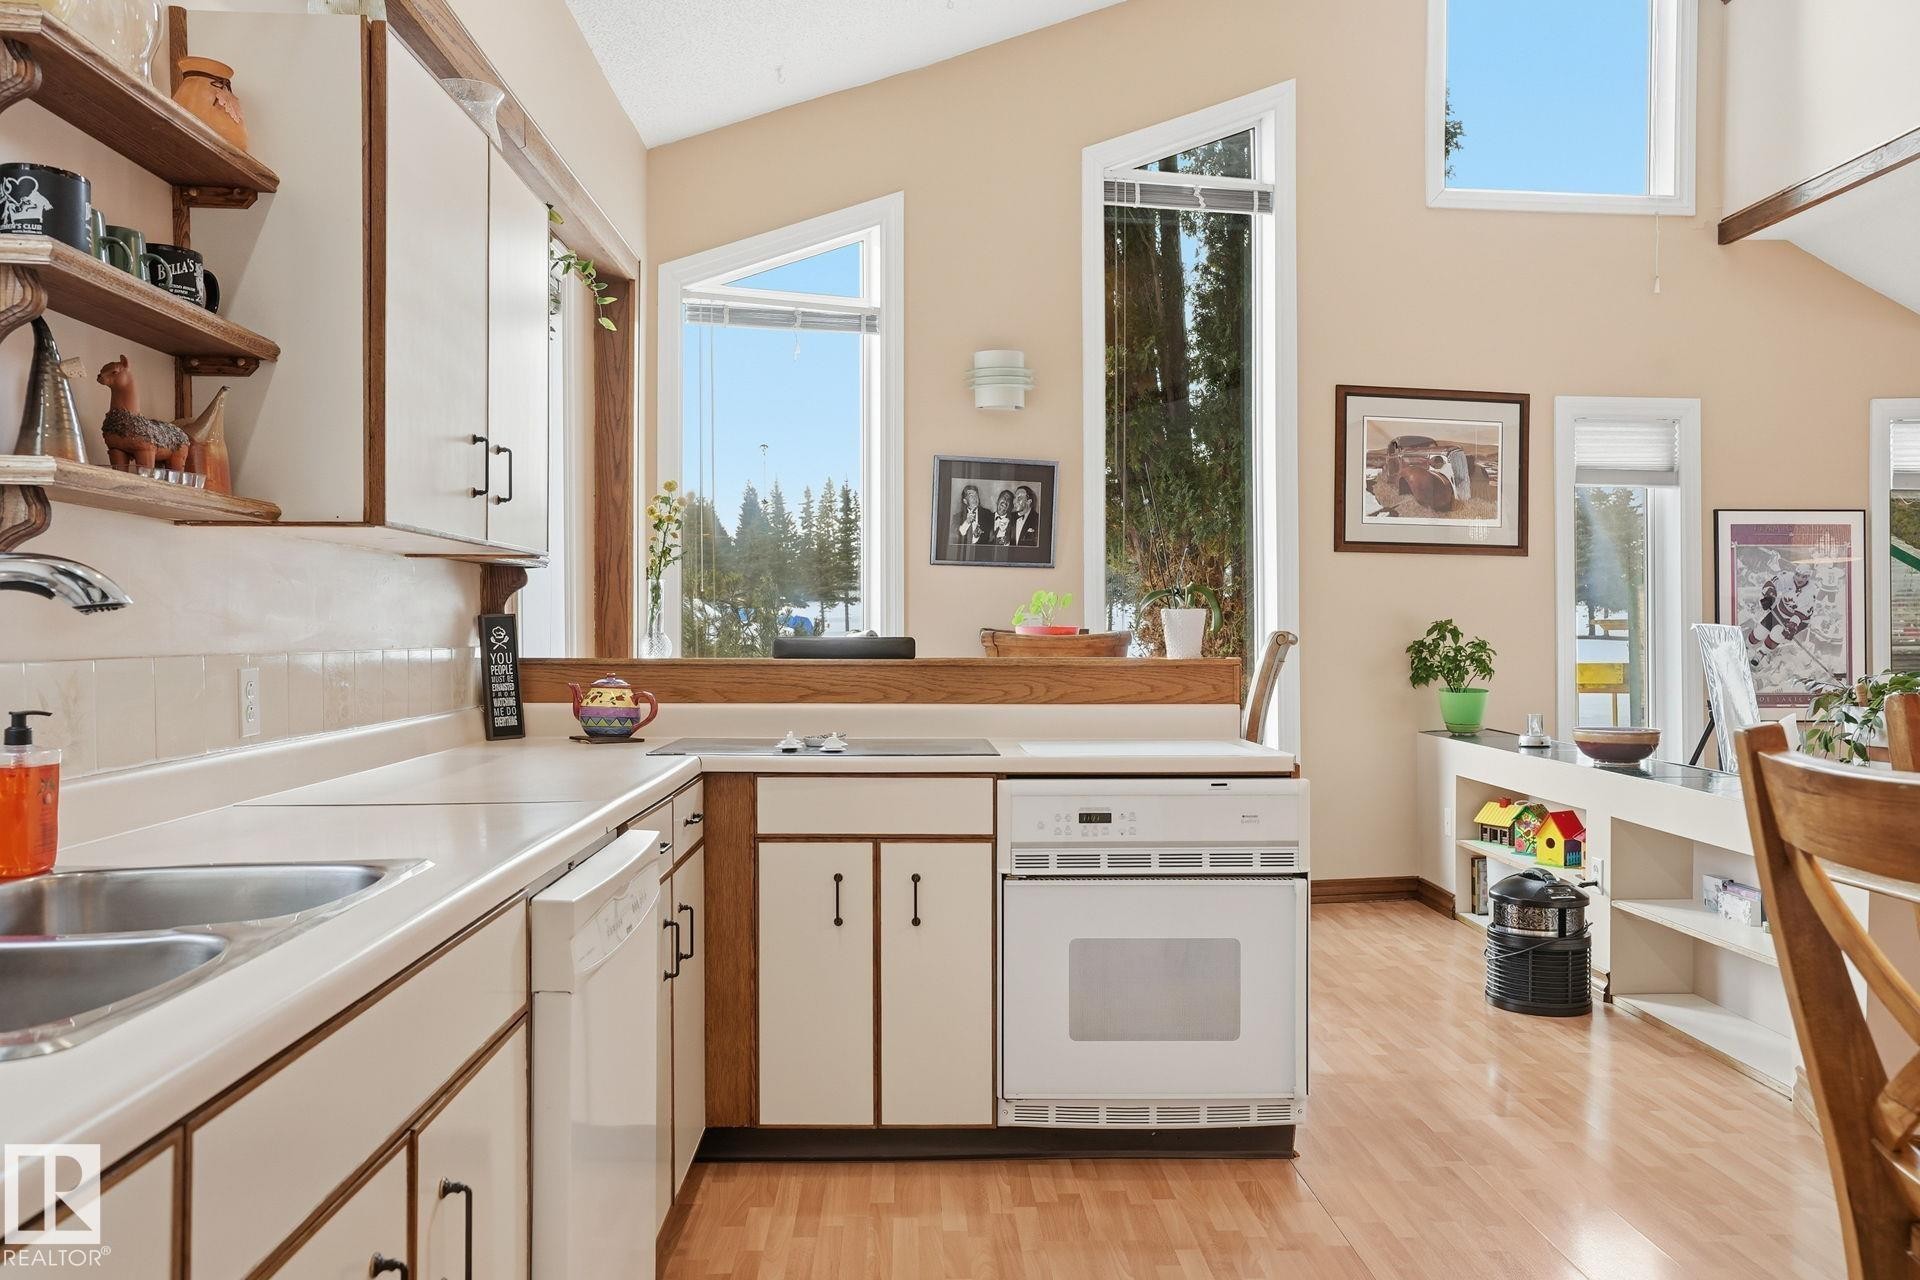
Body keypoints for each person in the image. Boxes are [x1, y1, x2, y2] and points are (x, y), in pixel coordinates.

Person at [954, 484, 987, 550]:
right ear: (965, 501)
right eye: (971, 496)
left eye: (976, 495)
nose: (975, 498)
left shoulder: (987, 514)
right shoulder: (957, 517)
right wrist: (967, 522)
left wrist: (976, 537)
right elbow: (955, 539)